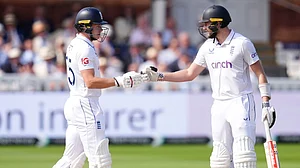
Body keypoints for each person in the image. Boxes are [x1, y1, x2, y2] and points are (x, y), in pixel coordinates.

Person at [142, 5, 276, 168]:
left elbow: (260, 74)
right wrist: (159, 76)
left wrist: (266, 104)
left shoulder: (242, 43)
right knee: (220, 157)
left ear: (219, 23)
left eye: (207, 24)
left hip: (240, 102)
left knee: (243, 155)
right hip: (219, 104)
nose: (204, 28)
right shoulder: (207, 47)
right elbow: (189, 73)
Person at [53, 7, 147, 168]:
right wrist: (120, 81)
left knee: (71, 160)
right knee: (99, 160)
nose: (100, 30)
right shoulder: (84, 48)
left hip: (76, 101)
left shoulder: (75, 43)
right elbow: (90, 81)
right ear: (85, 26)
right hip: (86, 104)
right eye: (97, 26)